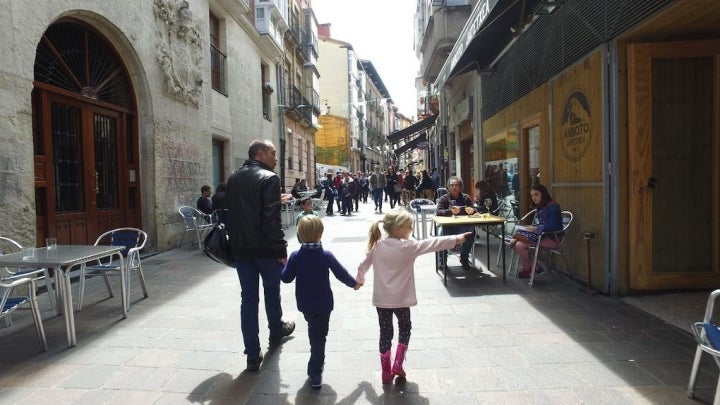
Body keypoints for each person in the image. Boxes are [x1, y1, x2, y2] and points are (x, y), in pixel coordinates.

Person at [356, 209, 471, 384]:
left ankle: (386, 372)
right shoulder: (409, 247)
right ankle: (398, 363)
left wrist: (359, 280)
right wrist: (456, 239)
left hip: (382, 300)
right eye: (409, 226)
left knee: (385, 333)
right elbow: (433, 243)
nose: (411, 229)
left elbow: (362, 265)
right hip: (401, 299)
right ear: (398, 229)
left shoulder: (377, 246)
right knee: (405, 328)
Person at [225, 139, 296, 372]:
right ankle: (276, 329)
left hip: (241, 250)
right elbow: (270, 220)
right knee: (271, 291)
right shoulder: (269, 178)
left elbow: (235, 211)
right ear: (260, 153)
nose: (276, 158)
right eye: (273, 153)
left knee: (248, 299)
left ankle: (252, 354)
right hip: (265, 249)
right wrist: (280, 249)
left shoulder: (234, 177)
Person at [281, 215, 361, 389]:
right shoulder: (326, 255)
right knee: (319, 337)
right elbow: (341, 273)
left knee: (314, 329)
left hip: (306, 305)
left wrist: (281, 265)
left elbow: (286, 278)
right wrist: (354, 284)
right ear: (321, 233)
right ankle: (315, 371)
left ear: (299, 235)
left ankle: (315, 355)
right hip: (324, 304)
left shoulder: (295, 256)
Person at [510, 184, 563, 279]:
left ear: (543, 194)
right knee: (514, 242)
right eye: (532, 195)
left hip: (552, 239)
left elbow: (555, 226)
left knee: (519, 245)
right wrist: (532, 227)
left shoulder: (553, 207)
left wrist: (536, 228)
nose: (534, 197)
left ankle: (530, 269)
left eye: (536, 194)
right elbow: (542, 224)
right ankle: (535, 268)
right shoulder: (542, 206)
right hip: (542, 236)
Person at [436, 176, 476, 270]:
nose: (454, 187)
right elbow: (439, 212)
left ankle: (464, 258)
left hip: (462, 227)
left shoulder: (466, 198)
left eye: (456, 185)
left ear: (460, 187)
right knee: (441, 234)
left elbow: (473, 209)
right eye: (452, 185)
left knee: (471, 232)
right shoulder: (444, 199)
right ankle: (443, 260)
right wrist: (450, 211)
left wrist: (472, 211)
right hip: (448, 227)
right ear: (448, 187)